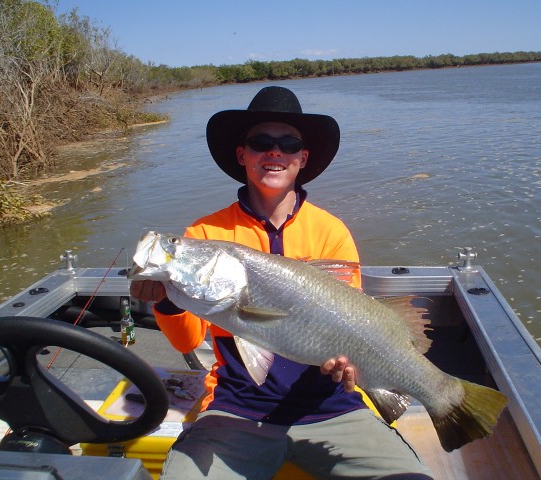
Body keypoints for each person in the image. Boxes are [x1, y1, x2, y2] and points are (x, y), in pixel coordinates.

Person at [130, 86, 433, 480]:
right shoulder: (204, 234)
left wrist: (348, 370)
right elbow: (188, 343)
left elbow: (356, 320)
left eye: (288, 144)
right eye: (261, 142)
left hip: (332, 407)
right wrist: (167, 300)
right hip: (236, 408)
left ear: (302, 158)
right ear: (243, 155)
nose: (275, 152)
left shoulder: (331, 231)